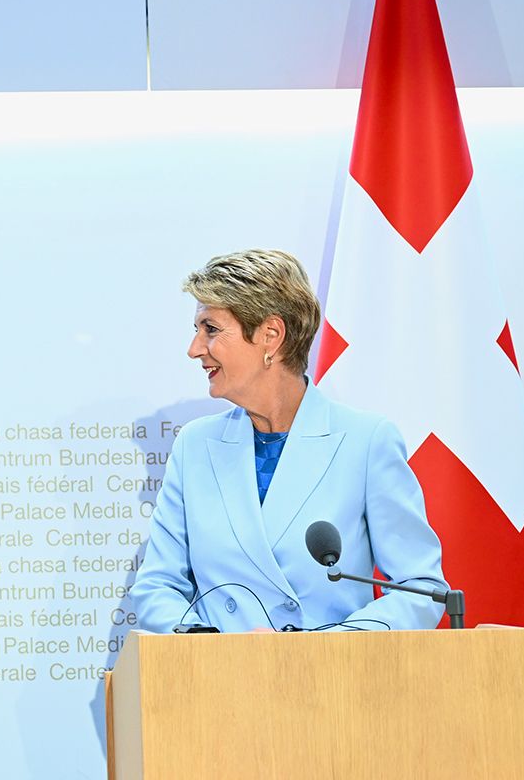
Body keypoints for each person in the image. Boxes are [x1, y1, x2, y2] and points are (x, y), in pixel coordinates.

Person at [127, 250, 445, 633]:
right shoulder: (194, 446)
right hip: (220, 669)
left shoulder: (367, 441)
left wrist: (324, 650)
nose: (194, 348)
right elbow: (158, 585)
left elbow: (420, 590)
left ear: (270, 336)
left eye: (210, 329)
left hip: (332, 668)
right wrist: (205, 644)